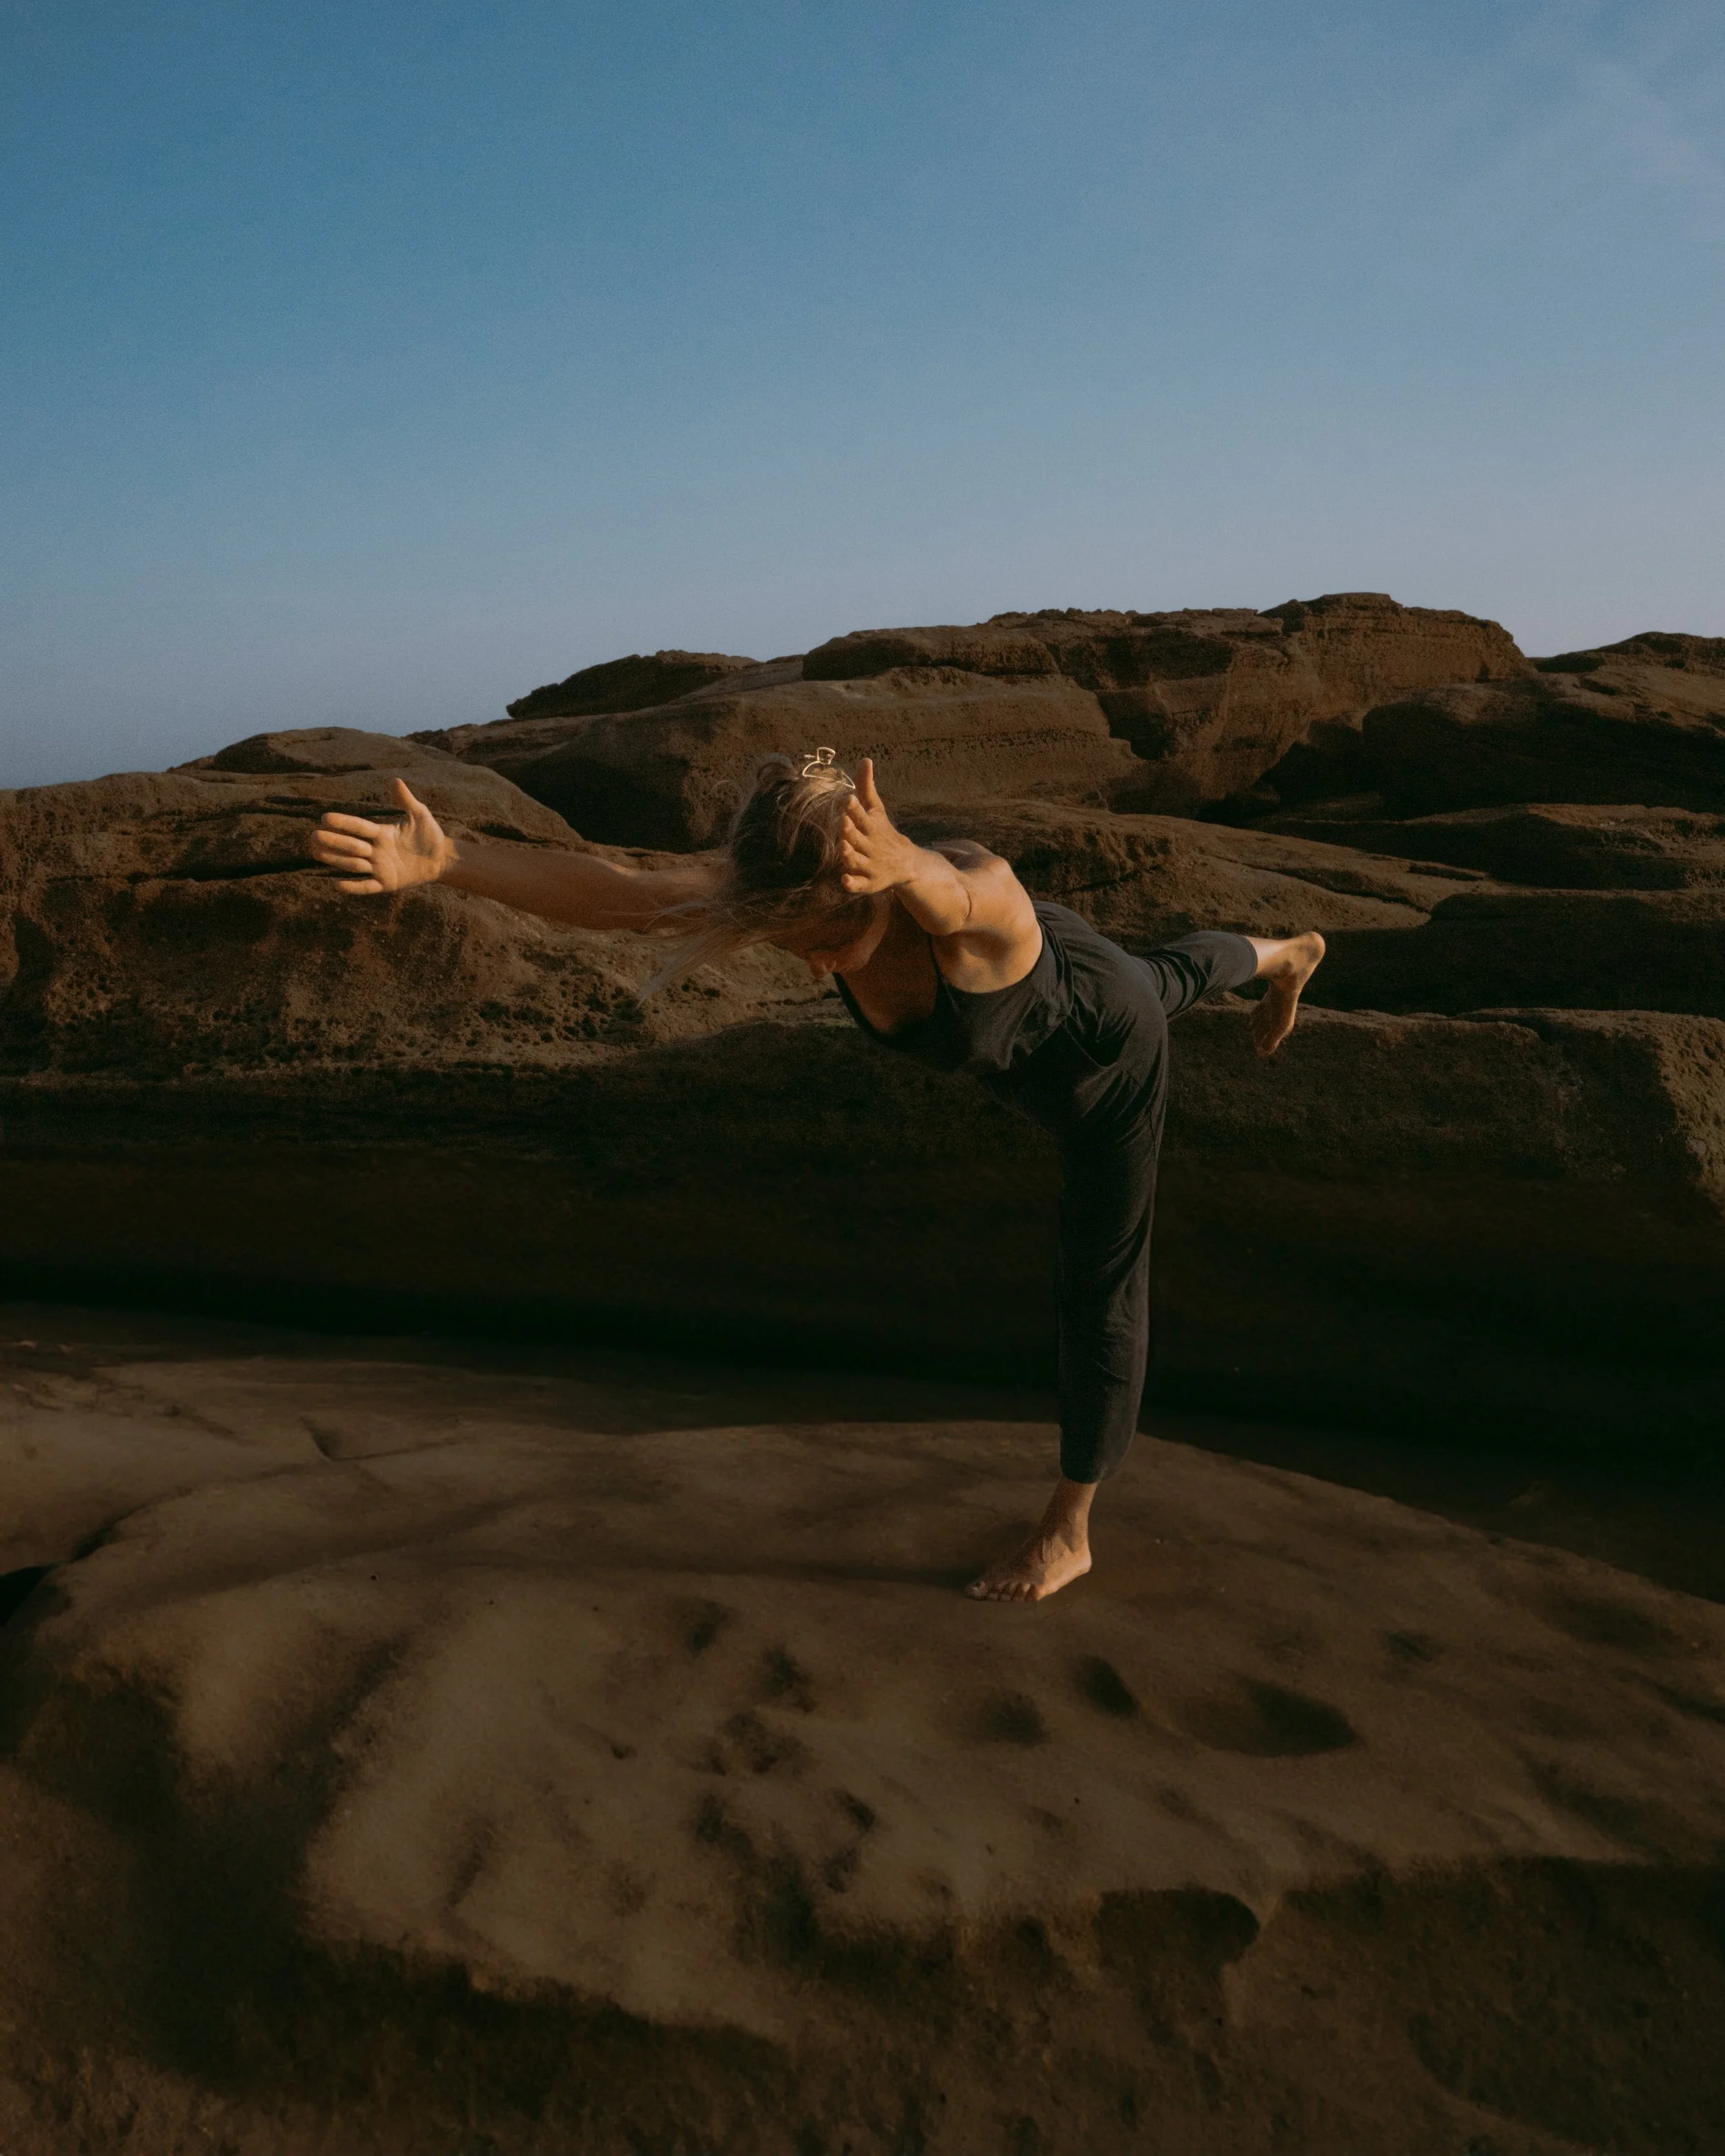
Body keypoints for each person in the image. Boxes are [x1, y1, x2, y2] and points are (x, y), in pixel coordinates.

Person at [310, 750, 1324, 1605]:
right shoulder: (793, 890)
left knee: (1100, 1265)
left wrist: (913, 872)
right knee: (1170, 970)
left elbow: (973, 893)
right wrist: (450, 863)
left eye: (822, 943)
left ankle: (1070, 1530)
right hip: (1063, 980)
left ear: (874, 892)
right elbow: (620, 897)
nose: (807, 967)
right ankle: (1285, 953)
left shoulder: (979, 916)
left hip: (1101, 1059)